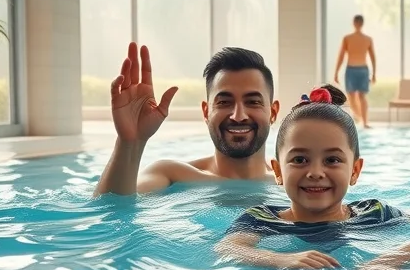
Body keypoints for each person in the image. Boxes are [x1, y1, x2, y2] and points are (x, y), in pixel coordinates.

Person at [215, 84, 408, 269]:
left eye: (332, 160)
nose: (315, 173)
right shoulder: (261, 220)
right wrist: (280, 259)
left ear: (355, 171)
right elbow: (228, 248)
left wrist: (385, 264)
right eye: (299, 160)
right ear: (278, 171)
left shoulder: (375, 214)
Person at [93, 44, 281, 197]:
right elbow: (111, 211)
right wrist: (130, 143)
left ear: (273, 112)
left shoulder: (290, 182)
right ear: (206, 112)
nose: (238, 116)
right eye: (224, 102)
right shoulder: (172, 176)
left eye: (253, 102)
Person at [332, 14, 376, 129]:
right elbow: (341, 56)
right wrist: (336, 72)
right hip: (354, 69)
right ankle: (360, 118)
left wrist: (375, 73)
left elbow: (372, 57)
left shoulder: (365, 39)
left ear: (354, 23)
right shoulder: (348, 38)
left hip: (360, 69)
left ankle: (363, 120)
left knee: (359, 96)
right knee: (353, 96)